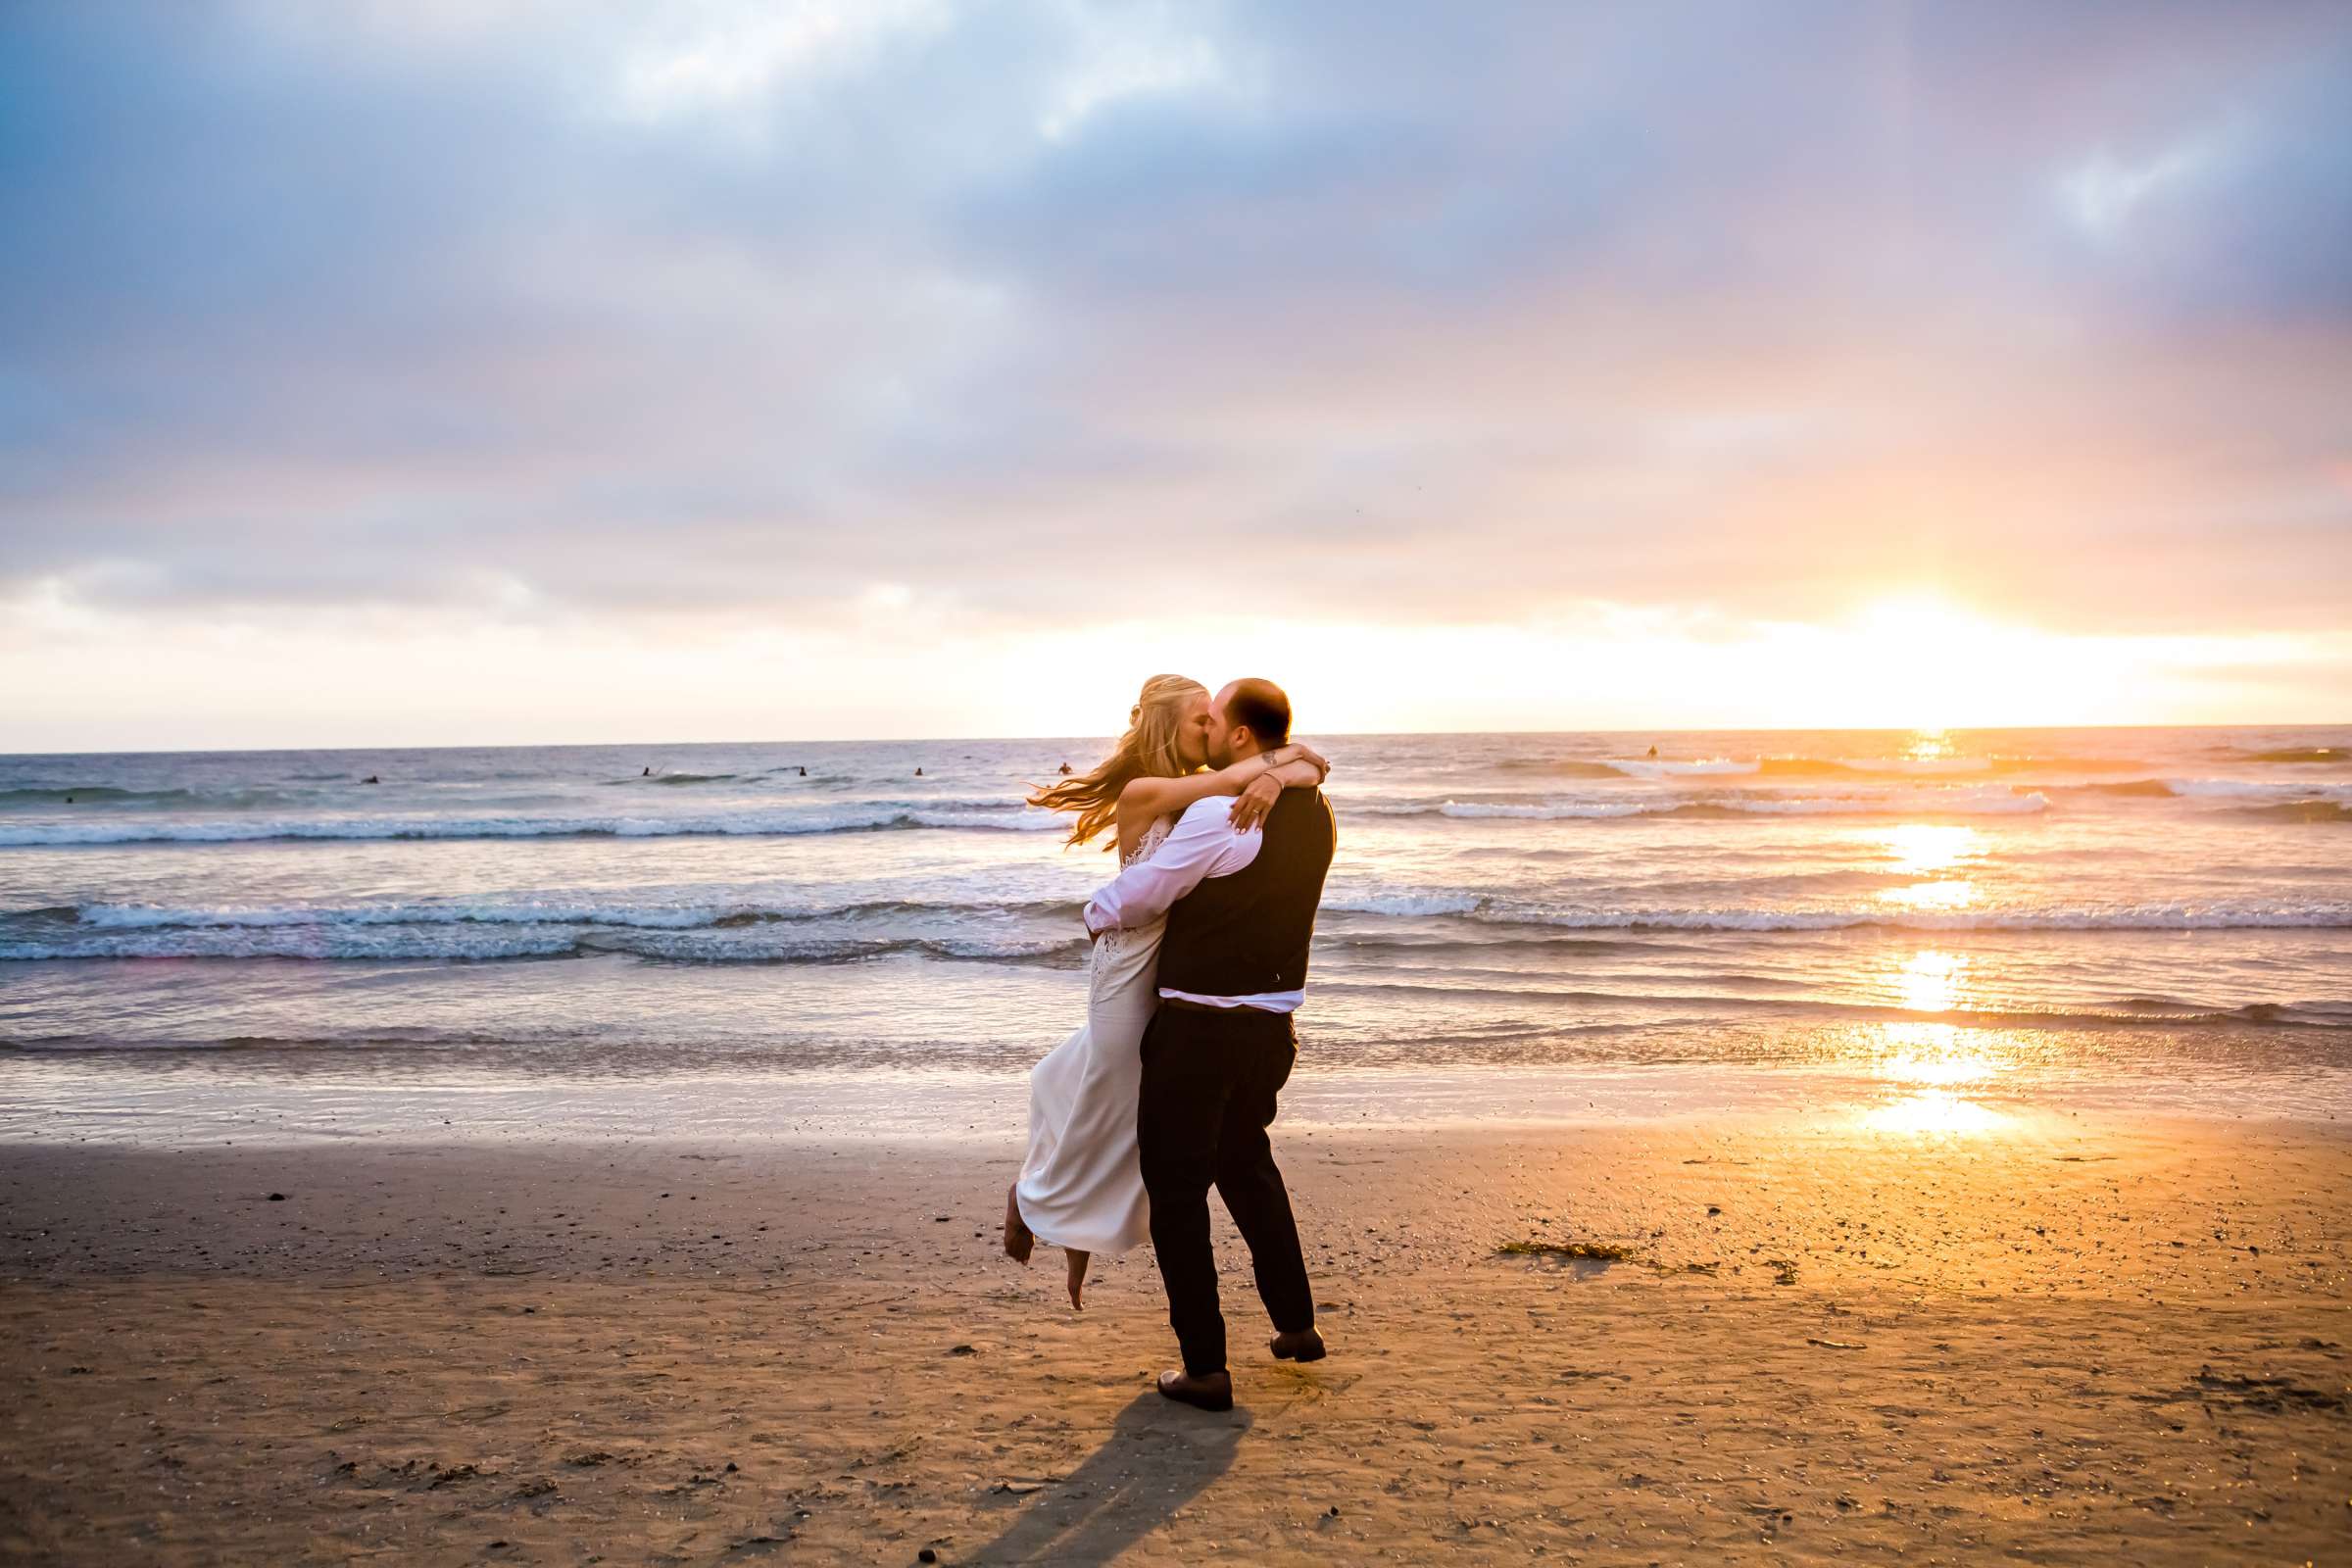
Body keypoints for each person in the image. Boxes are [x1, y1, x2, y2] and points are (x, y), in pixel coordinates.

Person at [1010, 675, 1328, 1311]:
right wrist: (1277, 771)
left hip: (1172, 976)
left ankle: (1045, 1211)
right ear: (1168, 729)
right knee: (1111, 1101)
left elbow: (1311, 763)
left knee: (1083, 1085)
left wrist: (1286, 771)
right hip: (1131, 968)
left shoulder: (1207, 797)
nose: (1208, 731)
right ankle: (1044, 1218)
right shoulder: (1150, 791)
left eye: (1213, 721)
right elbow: (1254, 775)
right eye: (1197, 721)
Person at [1080, 677, 1336, 1412]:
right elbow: (1307, 768)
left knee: (1178, 1192)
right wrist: (1296, 765)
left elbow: (1146, 892)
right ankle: (1295, 1325)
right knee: (1246, 1162)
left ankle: (1205, 1368)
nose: (1210, 725)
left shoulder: (1221, 812)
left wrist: (1091, 912)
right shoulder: (1318, 810)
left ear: (1242, 740)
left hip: (1199, 1031)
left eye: (1217, 718)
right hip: (1271, 1031)